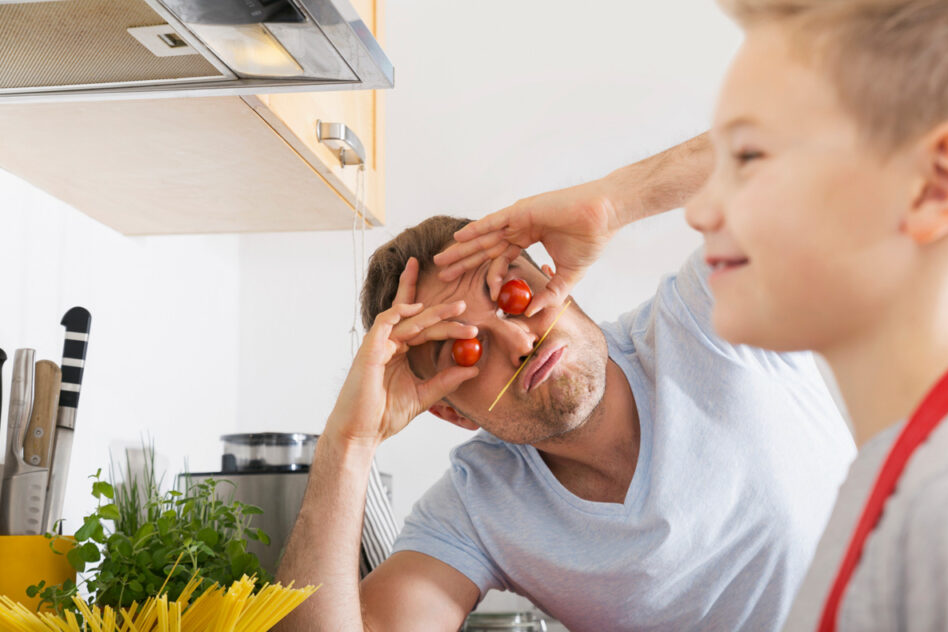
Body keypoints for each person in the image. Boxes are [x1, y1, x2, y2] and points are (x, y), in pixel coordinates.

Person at [441, 0, 948, 629]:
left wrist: (615, 200)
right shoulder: (900, 485)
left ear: (937, 184)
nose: (698, 210)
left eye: (751, 158)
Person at [275, 169, 856, 628]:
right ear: (450, 411)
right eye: (468, 350)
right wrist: (348, 443)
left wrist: (613, 202)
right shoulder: (478, 506)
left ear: (556, 274)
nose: (521, 339)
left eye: (513, 291)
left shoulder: (711, 312)